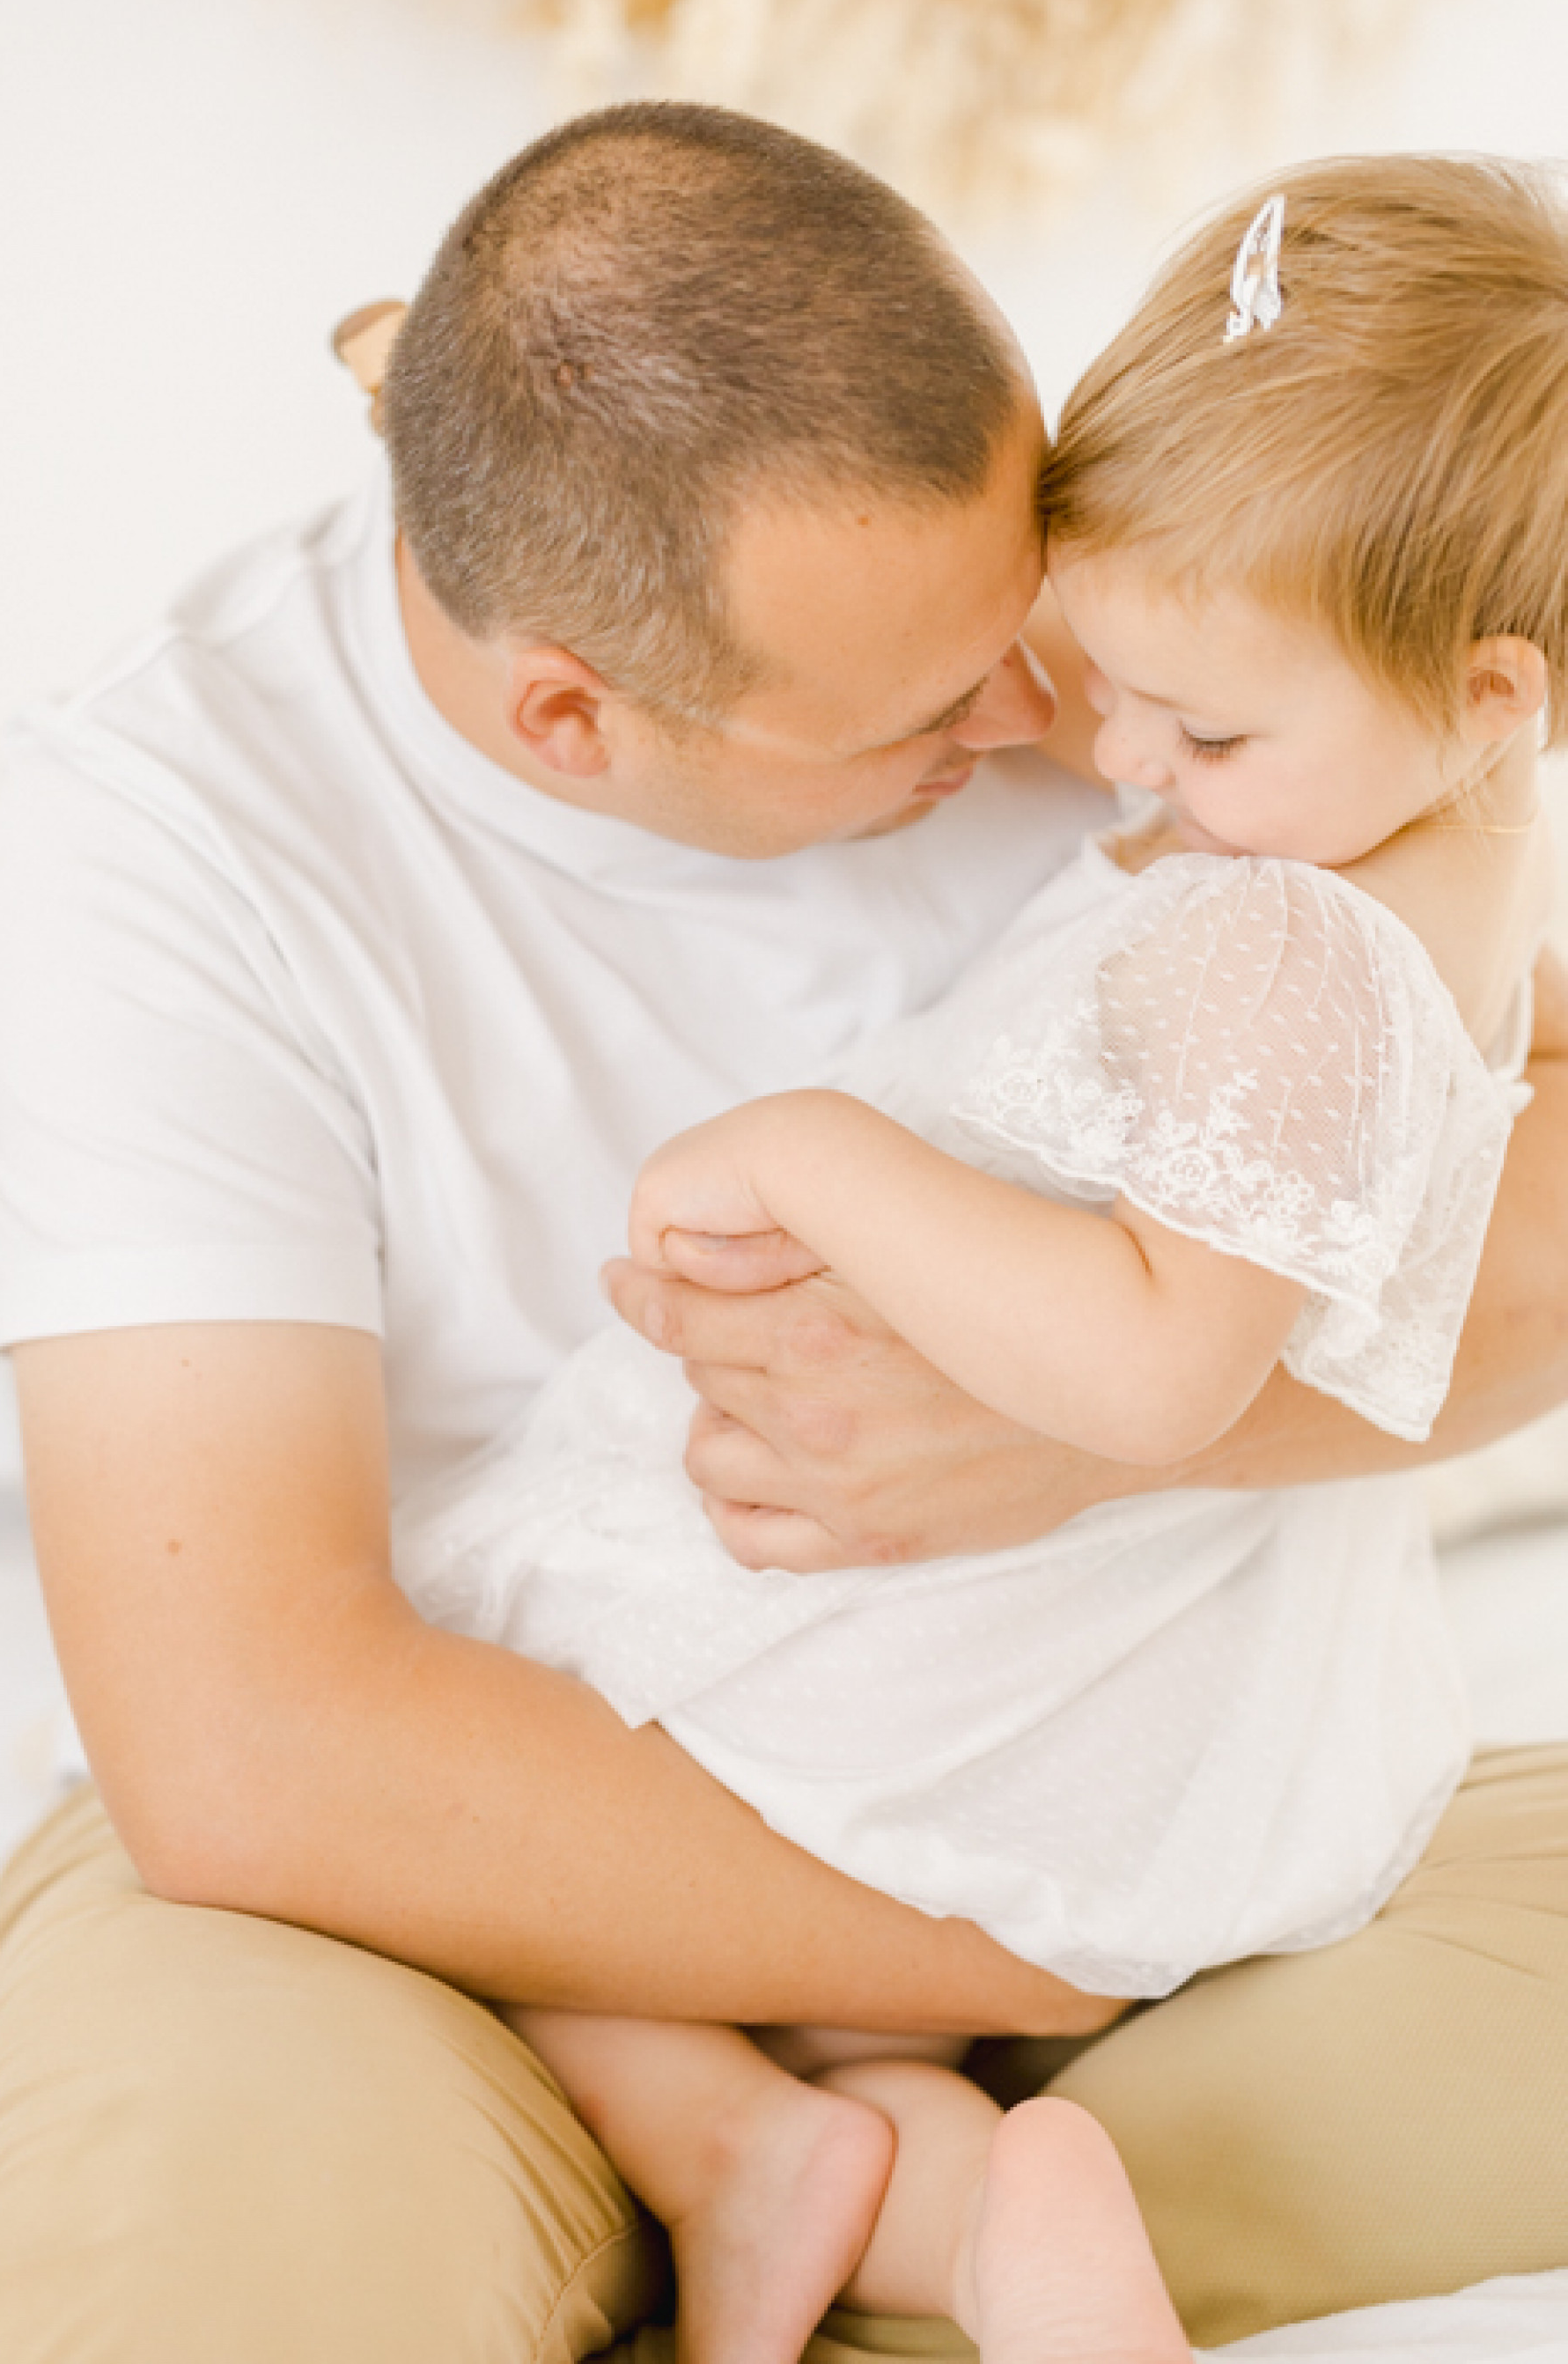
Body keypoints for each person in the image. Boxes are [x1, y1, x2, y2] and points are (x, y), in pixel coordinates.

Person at [0, 107, 1568, 2364]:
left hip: (1110, 1763)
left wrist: (1096, 1437)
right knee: (221, 2260)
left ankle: (857, 2209)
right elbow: (248, 1752)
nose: (1059, 728)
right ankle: (844, 2188)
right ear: (572, 719)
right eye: (935, 709)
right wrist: (1017, 1939)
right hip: (454, 1844)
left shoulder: (1184, 634)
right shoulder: (173, 833)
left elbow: (1488, 1121)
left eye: (1044, 623)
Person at [407, 155, 1561, 2364]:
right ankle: (941, 2191)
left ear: (1496, 689)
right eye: (1104, 668)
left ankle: (746, 2151)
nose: (1101, 756)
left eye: (1202, 732)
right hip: (1119, 1667)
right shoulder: (1451, 836)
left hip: (984, 1637)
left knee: (484, 1811)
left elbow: (1155, 1383)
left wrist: (820, 1157)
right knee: (763, 1971)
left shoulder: (1292, 944)